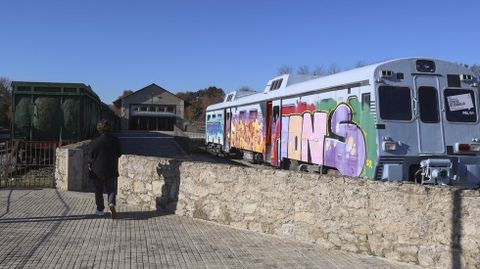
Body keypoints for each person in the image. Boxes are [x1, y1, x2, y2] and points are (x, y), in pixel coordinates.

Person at [89, 119, 121, 219]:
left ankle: (100, 210)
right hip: (111, 169)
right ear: (109, 128)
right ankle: (111, 204)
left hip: (97, 170)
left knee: (98, 190)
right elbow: (119, 154)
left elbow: (91, 155)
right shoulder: (115, 140)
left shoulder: (95, 142)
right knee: (111, 189)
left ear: (99, 129)